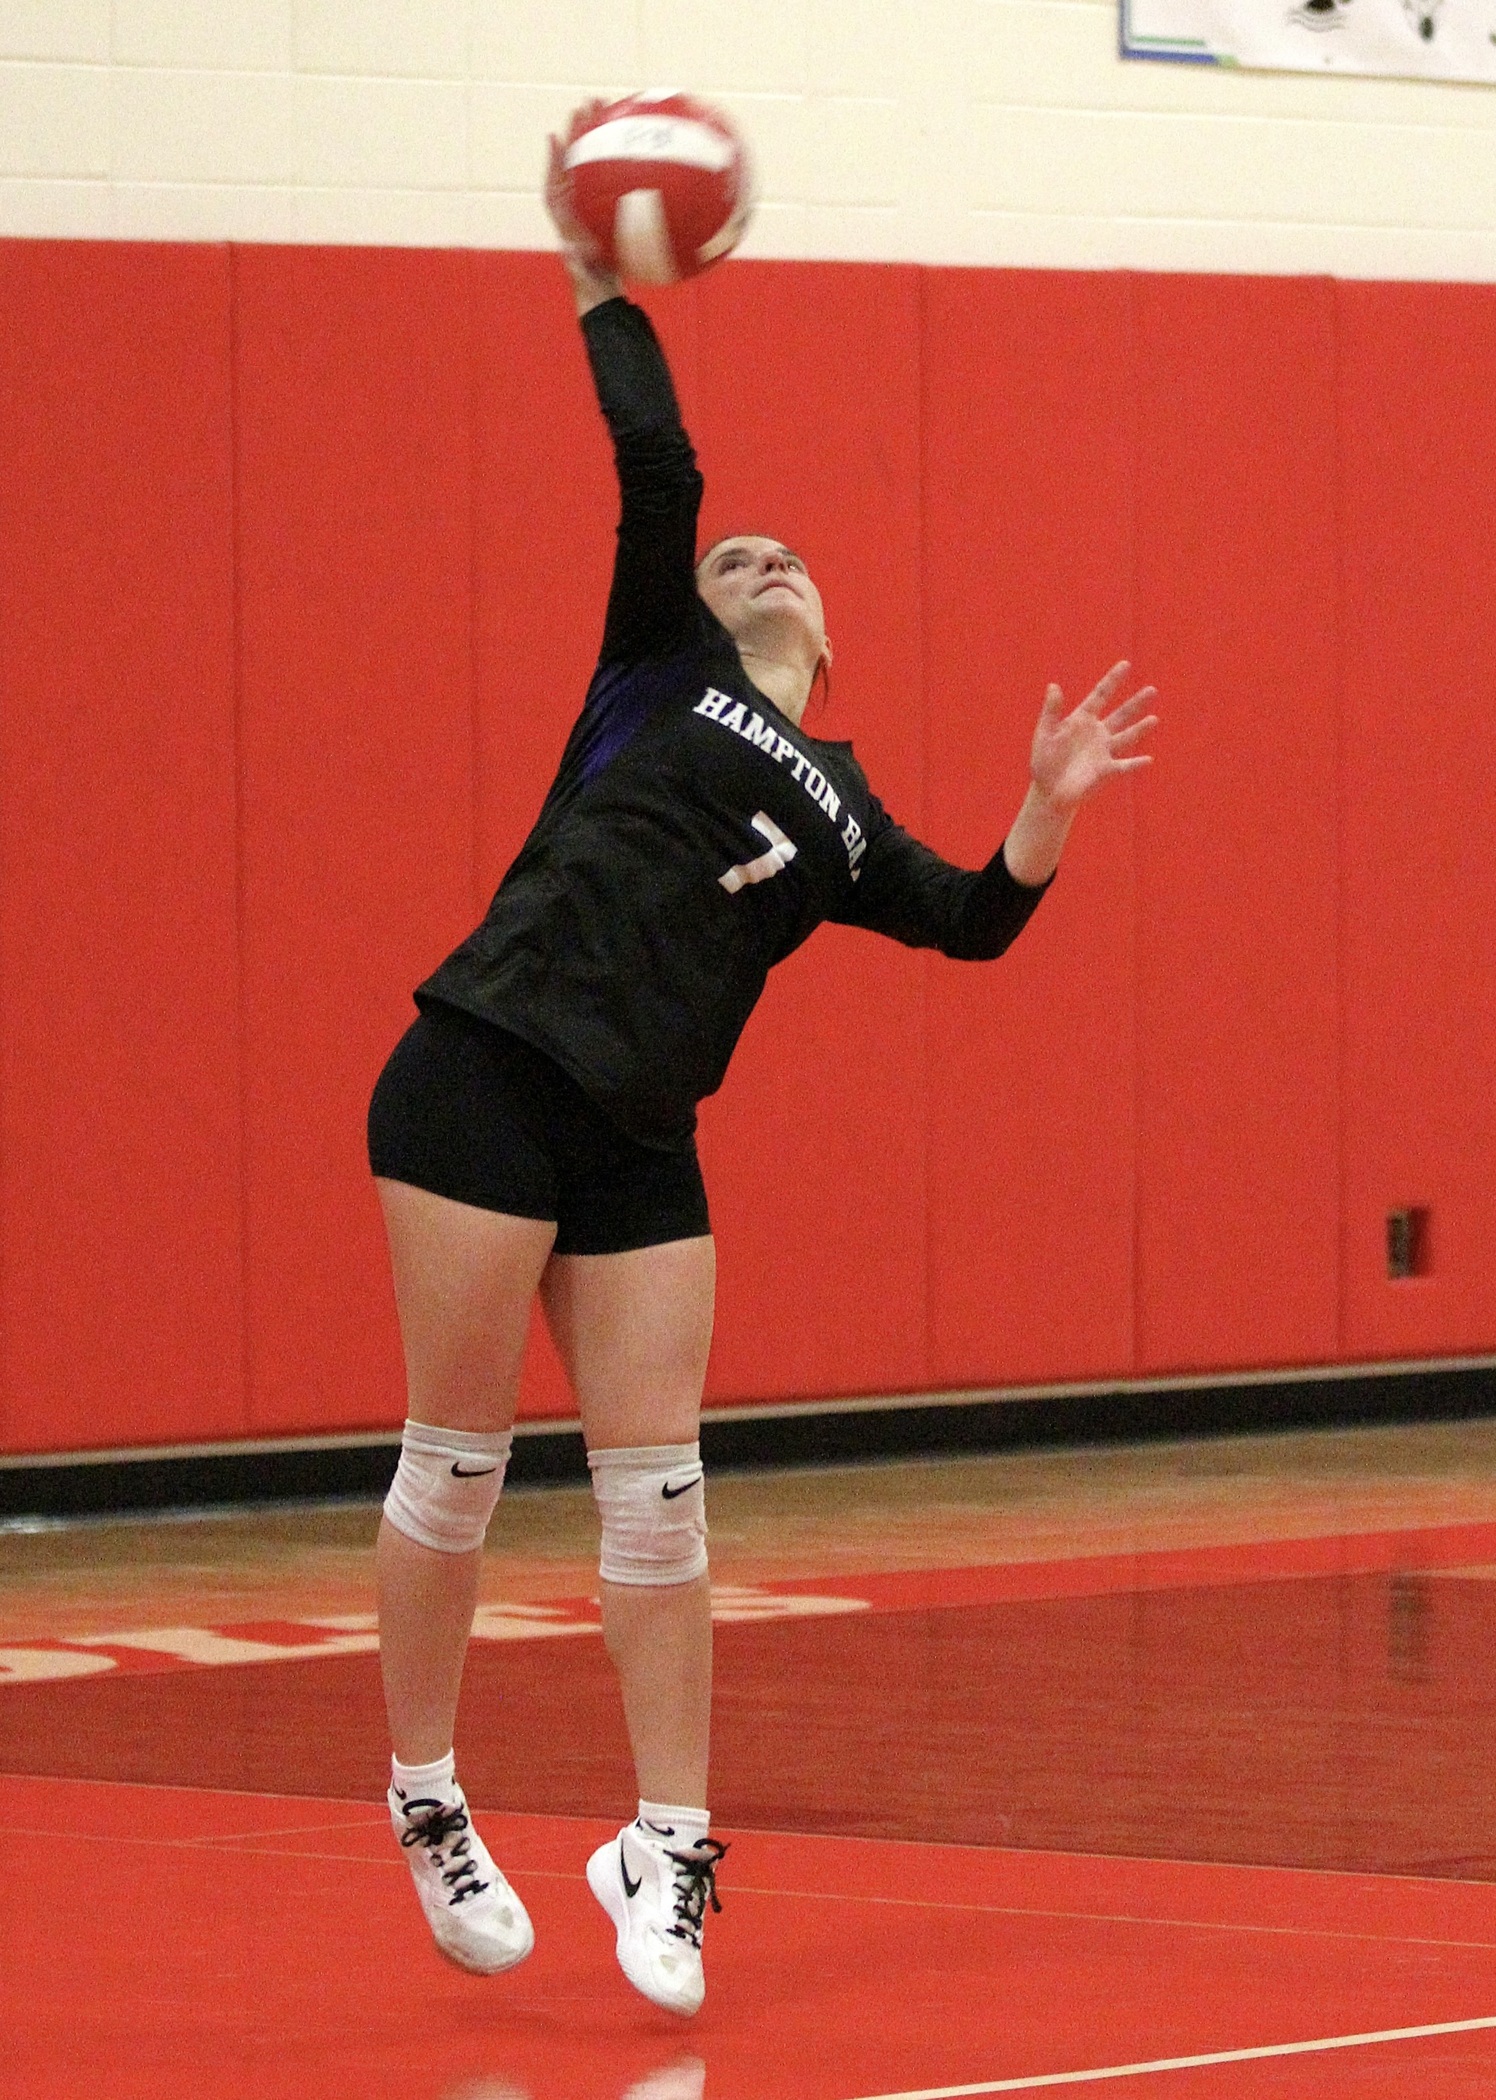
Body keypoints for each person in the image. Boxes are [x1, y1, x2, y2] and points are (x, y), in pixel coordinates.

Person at [365, 120, 1158, 2021]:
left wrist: (1042, 818)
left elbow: (971, 921)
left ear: (828, 627)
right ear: (702, 612)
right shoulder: (656, 669)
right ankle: (423, 1794)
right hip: (484, 1066)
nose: (756, 558)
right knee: (459, 1470)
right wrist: (592, 281)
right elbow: (661, 464)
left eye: (782, 559)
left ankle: (671, 1843)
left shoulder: (849, 808)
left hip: (641, 1136)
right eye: (736, 561)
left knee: (662, 1504)